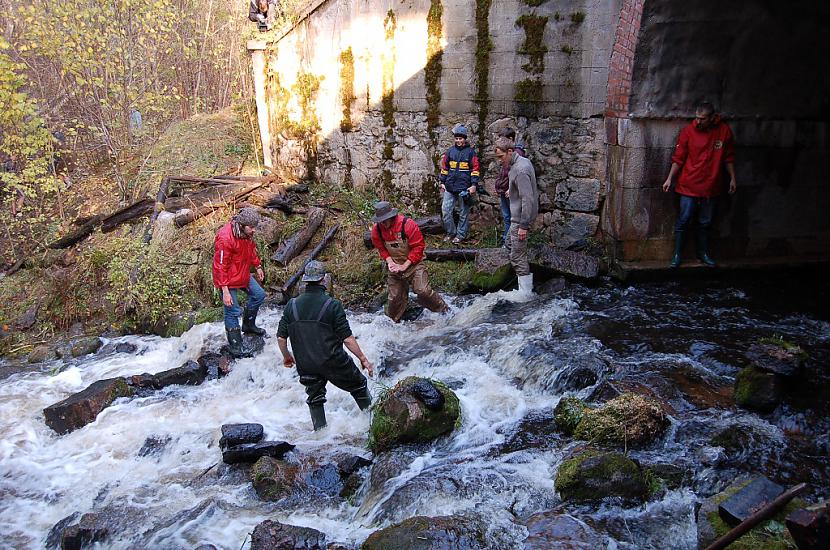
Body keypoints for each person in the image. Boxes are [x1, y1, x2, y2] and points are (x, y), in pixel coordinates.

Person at [277, 261, 374, 431]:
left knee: (315, 398)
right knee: (358, 386)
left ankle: (320, 437)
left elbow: (280, 338)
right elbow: (347, 339)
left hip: (306, 363)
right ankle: (374, 423)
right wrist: (363, 359)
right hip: (333, 360)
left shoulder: (291, 305)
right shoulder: (332, 305)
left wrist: (287, 357)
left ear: (305, 281)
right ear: (323, 280)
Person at [662, 101, 736, 268]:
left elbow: (728, 157)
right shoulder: (688, 131)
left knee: (705, 221)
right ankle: (677, 254)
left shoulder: (724, 132)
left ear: (712, 118)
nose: (698, 122)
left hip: (712, 186)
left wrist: (732, 178)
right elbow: (678, 158)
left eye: (702, 119)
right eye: (696, 118)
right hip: (689, 185)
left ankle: (703, 253)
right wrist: (669, 179)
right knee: (684, 219)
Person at [370, 201, 450, 322]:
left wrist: (404, 265)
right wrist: (390, 262)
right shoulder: (377, 230)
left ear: (391, 217)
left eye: (385, 221)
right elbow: (381, 248)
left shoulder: (407, 225)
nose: (383, 224)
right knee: (394, 299)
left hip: (414, 264)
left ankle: (445, 311)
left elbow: (418, 247)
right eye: (381, 221)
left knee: (423, 291)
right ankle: (393, 325)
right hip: (395, 267)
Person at [212, 207, 266, 358]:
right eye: (252, 227)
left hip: (242, 273)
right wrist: (225, 291)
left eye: (255, 227)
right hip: (227, 280)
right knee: (232, 310)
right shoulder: (225, 238)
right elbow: (220, 266)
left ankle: (248, 325)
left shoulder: (246, 234)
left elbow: (251, 250)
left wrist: (258, 266)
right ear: (242, 225)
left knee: (259, 295)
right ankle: (235, 344)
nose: (254, 230)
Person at [494, 137, 538, 294]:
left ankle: (526, 295)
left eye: (501, 157)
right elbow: (523, 190)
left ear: (510, 152)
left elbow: (528, 198)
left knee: (517, 257)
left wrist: (523, 226)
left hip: (520, 220)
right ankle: (510, 283)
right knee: (509, 245)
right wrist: (511, 190)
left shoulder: (520, 170)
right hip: (518, 218)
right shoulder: (520, 163)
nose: (499, 161)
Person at [439, 124, 480, 243]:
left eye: (460, 138)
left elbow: (475, 170)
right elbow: (445, 167)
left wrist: (473, 185)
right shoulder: (450, 151)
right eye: (456, 138)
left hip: (464, 188)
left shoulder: (471, 153)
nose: (458, 141)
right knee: (445, 211)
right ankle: (451, 232)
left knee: (463, 213)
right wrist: (442, 181)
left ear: (465, 138)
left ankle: (460, 235)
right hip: (450, 187)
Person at [494, 130, 527, 247]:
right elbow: (504, 172)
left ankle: (509, 243)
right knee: (507, 217)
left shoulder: (517, 155)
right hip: (504, 190)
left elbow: (515, 174)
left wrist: (510, 188)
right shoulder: (505, 157)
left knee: (512, 218)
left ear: (511, 139)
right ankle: (506, 240)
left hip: (510, 192)